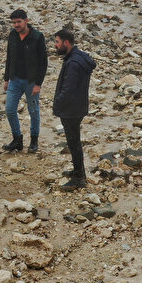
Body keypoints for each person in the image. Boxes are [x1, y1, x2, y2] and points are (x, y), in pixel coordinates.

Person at [51, 29, 96, 191]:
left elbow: (68, 91)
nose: (55, 45)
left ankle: (79, 178)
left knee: (73, 142)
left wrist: (57, 104)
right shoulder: (79, 57)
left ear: (66, 43)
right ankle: (79, 171)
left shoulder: (72, 64)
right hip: (78, 106)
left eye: (57, 42)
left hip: (71, 110)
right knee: (74, 141)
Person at [1, 8, 47, 153]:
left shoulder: (38, 37)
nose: (16, 25)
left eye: (19, 22)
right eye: (14, 22)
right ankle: (17, 139)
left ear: (26, 20)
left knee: (33, 111)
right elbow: (9, 57)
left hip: (31, 81)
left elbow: (43, 62)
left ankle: (34, 141)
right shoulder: (13, 35)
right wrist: (6, 78)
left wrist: (38, 84)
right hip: (15, 79)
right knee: (9, 109)